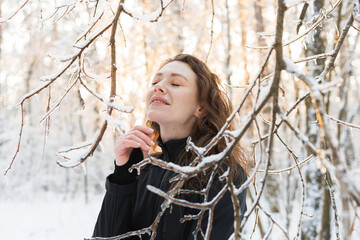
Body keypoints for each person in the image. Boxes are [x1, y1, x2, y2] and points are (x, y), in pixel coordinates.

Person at [92, 54, 248, 240]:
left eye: (175, 84)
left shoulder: (222, 174)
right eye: (155, 81)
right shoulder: (146, 170)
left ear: (202, 108)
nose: (158, 86)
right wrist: (123, 176)